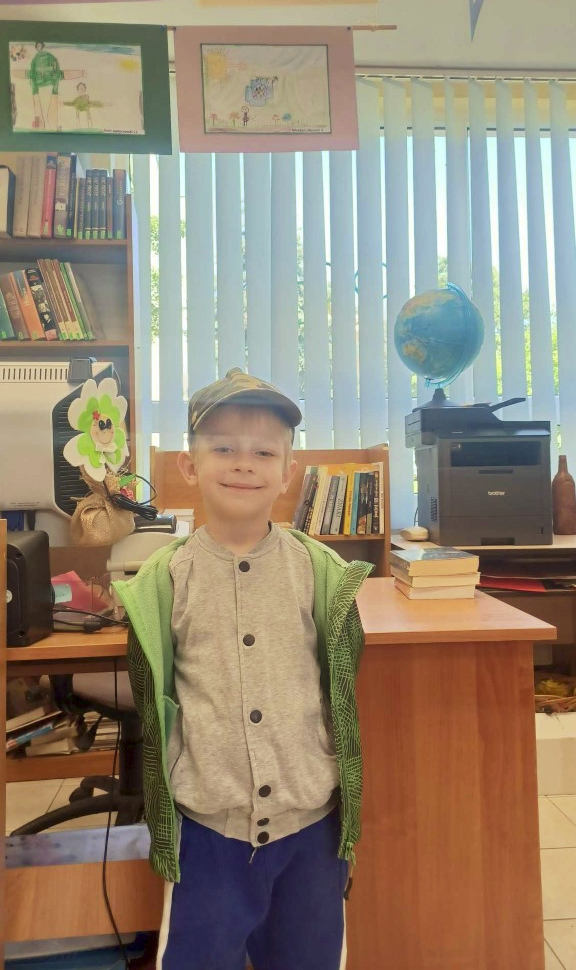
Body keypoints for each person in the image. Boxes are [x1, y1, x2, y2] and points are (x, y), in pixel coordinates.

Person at [113, 367, 373, 970]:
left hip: (310, 826)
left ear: (288, 471)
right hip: (209, 830)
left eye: (263, 452)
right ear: (189, 465)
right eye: (224, 448)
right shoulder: (165, 579)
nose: (243, 464)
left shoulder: (320, 572)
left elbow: (338, 687)